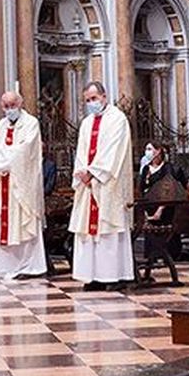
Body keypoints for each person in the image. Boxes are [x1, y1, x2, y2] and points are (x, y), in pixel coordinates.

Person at [69, 82, 133, 291]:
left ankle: (113, 276)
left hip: (108, 184)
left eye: (94, 99)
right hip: (89, 185)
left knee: (109, 229)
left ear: (104, 97)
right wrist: (81, 173)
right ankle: (93, 276)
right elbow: (81, 151)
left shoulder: (117, 119)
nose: (91, 103)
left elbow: (113, 151)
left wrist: (93, 172)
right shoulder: (87, 123)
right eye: (87, 100)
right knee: (88, 232)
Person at [0, 92, 48, 279]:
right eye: (5, 106)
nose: (9, 109)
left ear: (20, 103)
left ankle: (28, 267)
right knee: (4, 224)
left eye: (13, 105)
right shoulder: (0, 126)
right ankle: (4, 268)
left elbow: (25, 151)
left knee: (23, 222)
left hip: (21, 185)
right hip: (2, 182)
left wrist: (4, 163)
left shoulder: (31, 123)